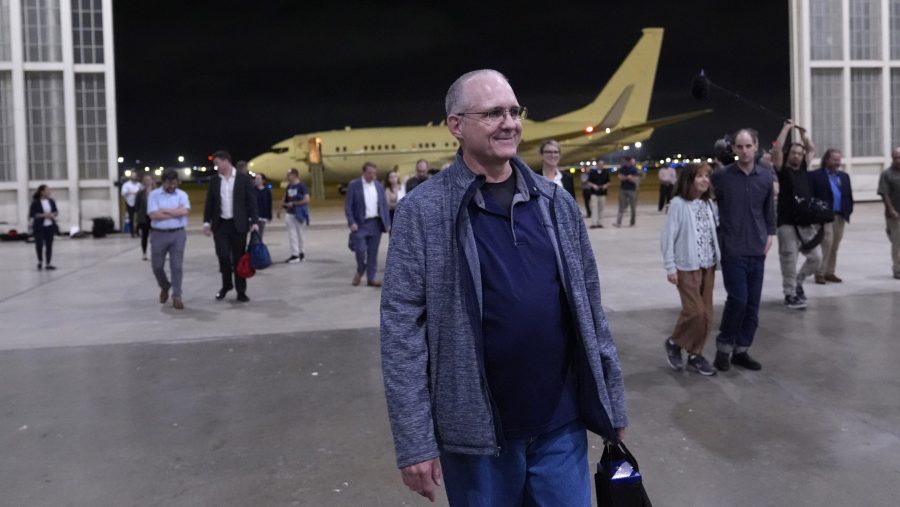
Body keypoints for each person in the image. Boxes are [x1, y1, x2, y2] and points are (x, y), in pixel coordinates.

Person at [381, 69, 626, 505]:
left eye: (515, 111)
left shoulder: (556, 204)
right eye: (493, 113)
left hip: (561, 428)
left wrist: (611, 401)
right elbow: (402, 334)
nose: (510, 122)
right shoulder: (423, 212)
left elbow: (591, 309)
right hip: (478, 439)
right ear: (457, 125)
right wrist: (414, 440)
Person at [710, 128, 776, 372]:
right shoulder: (723, 177)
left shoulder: (766, 177)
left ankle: (742, 350)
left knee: (752, 306)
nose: (744, 151)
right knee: (738, 300)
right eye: (740, 146)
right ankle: (724, 348)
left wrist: (771, 234)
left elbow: (769, 211)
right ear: (734, 149)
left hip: (757, 249)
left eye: (748, 146)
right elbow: (705, 202)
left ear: (756, 146)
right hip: (733, 249)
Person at [661, 162, 720, 376]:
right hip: (686, 265)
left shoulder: (709, 204)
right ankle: (674, 342)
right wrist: (670, 267)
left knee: (707, 316)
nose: (705, 180)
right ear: (689, 179)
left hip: (708, 265)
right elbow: (668, 237)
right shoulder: (678, 204)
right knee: (695, 312)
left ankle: (696, 355)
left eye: (707, 176)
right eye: (700, 176)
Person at [772, 120, 820, 310]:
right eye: (794, 153)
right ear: (788, 155)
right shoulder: (782, 170)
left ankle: (798, 282)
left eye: (799, 154)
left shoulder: (803, 169)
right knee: (789, 259)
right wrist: (786, 128)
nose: (797, 156)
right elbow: (777, 151)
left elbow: (810, 148)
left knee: (816, 259)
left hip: (805, 222)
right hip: (787, 222)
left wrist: (802, 134)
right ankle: (789, 293)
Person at [202, 150, 259, 302]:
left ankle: (241, 291)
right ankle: (226, 285)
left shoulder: (243, 179)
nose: (216, 167)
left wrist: (254, 222)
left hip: (238, 225)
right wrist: (206, 222)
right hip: (220, 225)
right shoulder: (214, 180)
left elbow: (251, 202)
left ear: (226, 161)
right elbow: (210, 203)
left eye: (217, 163)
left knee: (239, 259)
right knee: (223, 256)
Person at [147, 170, 190, 310]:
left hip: (178, 235)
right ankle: (165, 286)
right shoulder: (154, 195)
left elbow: (184, 212)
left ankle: (177, 296)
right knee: (157, 266)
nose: (172, 185)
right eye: (169, 183)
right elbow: (153, 215)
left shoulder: (182, 195)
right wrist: (175, 213)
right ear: (163, 181)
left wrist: (164, 210)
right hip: (158, 234)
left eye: (174, 182)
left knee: (176, 267)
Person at [810, 149, 854, 284]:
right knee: (826, 243)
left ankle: (830, 272)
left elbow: (848, 195)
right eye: (835, 160)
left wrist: (849, 209)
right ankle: (819, 273)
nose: (837, 163)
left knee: (835, 245)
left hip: (840, 216)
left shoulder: (844, 176)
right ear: (827, 159)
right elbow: (811, 195)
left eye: (839, 160)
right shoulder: (816, 175)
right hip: (824, 216)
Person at [345, 162, 390, 287]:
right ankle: (360, 269)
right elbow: (348, 207)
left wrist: (387, 223)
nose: (372, 175)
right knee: (360, 249)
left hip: (375, 223)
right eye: (370, 173)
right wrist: (351, 222)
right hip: (360, 225)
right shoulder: (354, 186)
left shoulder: (379, 186)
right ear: (363, 172)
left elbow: (384, 206)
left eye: (374, 173)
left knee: (373, 253)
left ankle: (371, 278)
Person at [878, 148, 900, 279]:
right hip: (895, 215)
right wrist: (891, 210)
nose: (898, 160)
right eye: (896, 157)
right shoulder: (887, 174)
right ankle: (897, 269)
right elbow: (884, 193)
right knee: (897, 243)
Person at [278, 168, 309, 263]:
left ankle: (301, 253)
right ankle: (295, 254)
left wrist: (295, 203)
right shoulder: (289, 186)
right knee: (292, 234)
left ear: (295, 175)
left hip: (299, 213)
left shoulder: (301, 186)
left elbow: (307, 199)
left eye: (289, 175)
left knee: (300, 234)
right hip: (290, 213)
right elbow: (285, 197)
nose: (287, 177)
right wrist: (279, 209)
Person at [29, 185, 58, 270]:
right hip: (39, 227)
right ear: (42, 192)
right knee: (39, 244)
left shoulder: (51, 201)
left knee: (49, 245)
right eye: (47, 190)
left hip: (49, 226)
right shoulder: (35, 202)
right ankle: (40, 261)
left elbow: (56, 211)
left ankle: (48, 263)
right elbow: (33, 214)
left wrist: (53, 214)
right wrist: (44, 215)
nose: (49, 192)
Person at [134, 174, 156, 261]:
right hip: (144, 217)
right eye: (146, 180)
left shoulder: (156, 192)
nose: (147, 181)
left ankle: (156, 252)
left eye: (149, 179)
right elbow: (136, 206)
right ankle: (144, 253)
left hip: (154, 217)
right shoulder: (140, 193)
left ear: (152, 181)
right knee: (144, 236)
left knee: (155, 236)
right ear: (143, 182)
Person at [614, 156, 640, 227]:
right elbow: (620, 177)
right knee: (621, 206)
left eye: (625, 161)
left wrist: (627, 178)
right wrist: (628, 177)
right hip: (623, 189)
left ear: (628, 161)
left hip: (632, 190)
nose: (624, 162)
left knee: (633, 207)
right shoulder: (622, 169)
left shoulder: (634, 169)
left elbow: (636, 179)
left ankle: (632, 222)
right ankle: (618, 222)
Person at [585, 160, 610, 228]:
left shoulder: (606, 173)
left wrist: (605, 185)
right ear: (597, 165)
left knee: (601, 208)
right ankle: (593, 223)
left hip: (603, 193)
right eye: (599, 164)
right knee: (594, 208)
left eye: (602, 164)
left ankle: (600, 223)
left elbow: (608, 182)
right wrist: (593, 186)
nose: (601, 165)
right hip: (594, 193)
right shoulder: (592, 172)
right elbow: (588, 182)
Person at [120, 172, 141, 237]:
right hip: (129, 203)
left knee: (139, 218)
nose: (134, 177)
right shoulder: (126, 185)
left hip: (138, 203)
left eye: (135, 176)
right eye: (133, 176)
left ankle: (137, 230)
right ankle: (132, 232)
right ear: (131, 177)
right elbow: (123, 193)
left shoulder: (139, 184)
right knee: (131, 218)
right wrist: (132, 193)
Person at [254, 173, 273, 240]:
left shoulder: (267, 191)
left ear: (263, 181)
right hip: (253, 217)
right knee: (254, 235)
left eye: (258, 179)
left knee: (260, 235)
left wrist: (269, 216)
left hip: (262, 216)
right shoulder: (252, 190)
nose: (256, 180)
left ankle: (258, 249)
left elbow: (269, 204)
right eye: (255, 178)